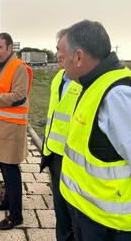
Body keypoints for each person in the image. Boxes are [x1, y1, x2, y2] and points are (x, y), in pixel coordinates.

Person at [58, 20, 131, 240]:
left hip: (114, 227)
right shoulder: (93, 83)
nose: (60, 63)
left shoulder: (118, 95)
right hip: (92, 217)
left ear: (79, 57)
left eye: (62, 55)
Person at [0, 32, 33, 230]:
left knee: (11, 170)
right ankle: (8, 202)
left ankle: (16, 216)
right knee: (4, 166)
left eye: (0, 48)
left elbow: (19, 96)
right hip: (2, 125)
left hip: (12, 128)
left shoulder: (18, 67)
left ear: (10, 48)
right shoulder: (5, 67)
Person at [40, 30, 82, 241]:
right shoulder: (58, 78)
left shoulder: (84, 81)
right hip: (55, 156)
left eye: (60, 49)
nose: (57, 54)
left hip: (76, 160)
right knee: (61, 213)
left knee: (76, 216)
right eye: (56, 49)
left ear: (76, 52)